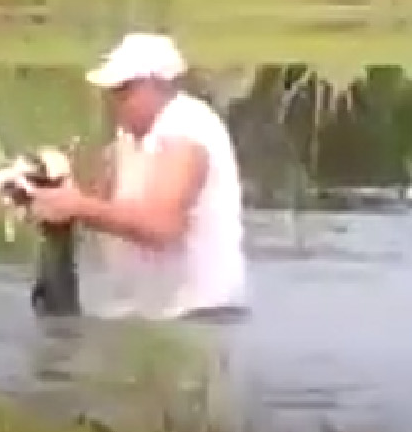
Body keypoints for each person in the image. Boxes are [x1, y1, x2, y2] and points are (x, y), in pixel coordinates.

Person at [24, 32, 249, 320]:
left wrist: (75, 206)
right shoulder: (131, 136)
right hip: (154, 314)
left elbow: (162, 226)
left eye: (125, 89)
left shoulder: (186, 131)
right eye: (115, 90)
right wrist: (47, 185)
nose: (115, 99)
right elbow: (102, 203)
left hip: (201, 315)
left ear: (159, 84)